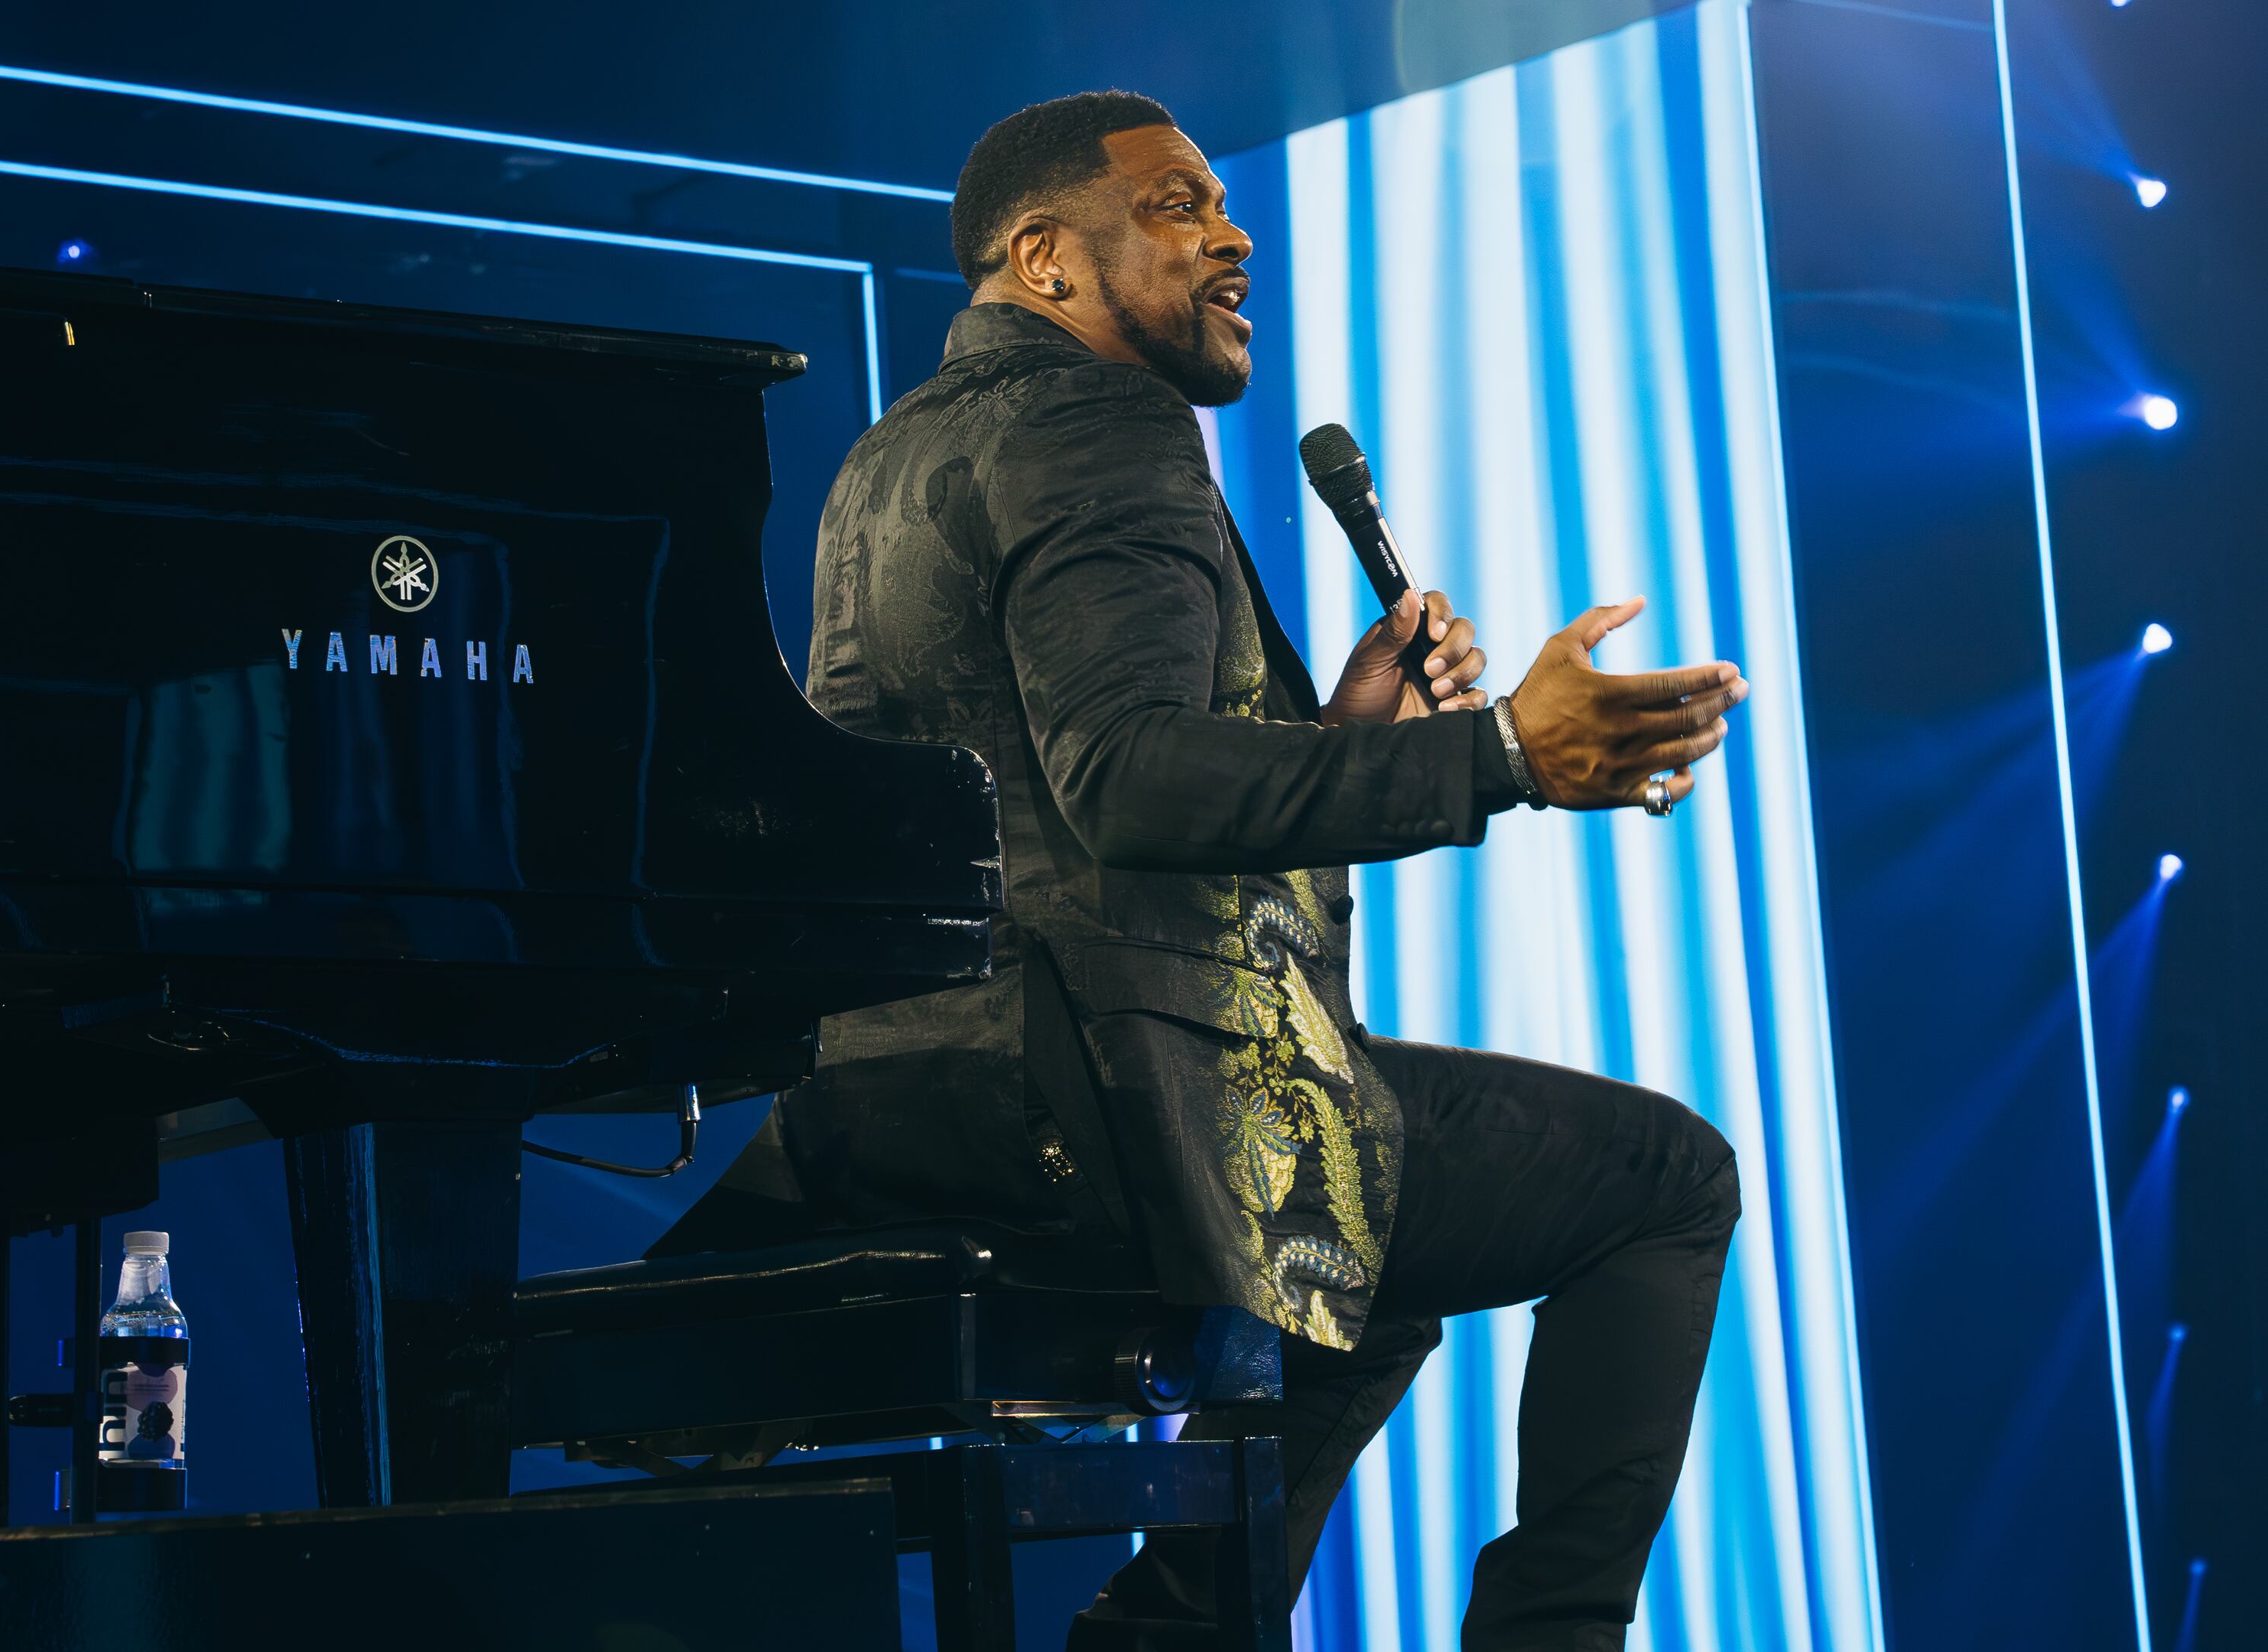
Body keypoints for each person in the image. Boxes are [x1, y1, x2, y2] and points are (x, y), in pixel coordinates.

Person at [656, 91, 1750, 1649]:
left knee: (1372, 1290)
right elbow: (1126, 779)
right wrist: (1505, 753)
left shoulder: (892, 457)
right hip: (1098, 1106)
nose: (1233, 235)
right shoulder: (1106, 426)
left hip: (907, 1097)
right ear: (1045, 257)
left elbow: (1028, 800)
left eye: (1224, 205)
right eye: (1178, 206)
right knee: (1664, 1177)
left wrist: (1341, 732)